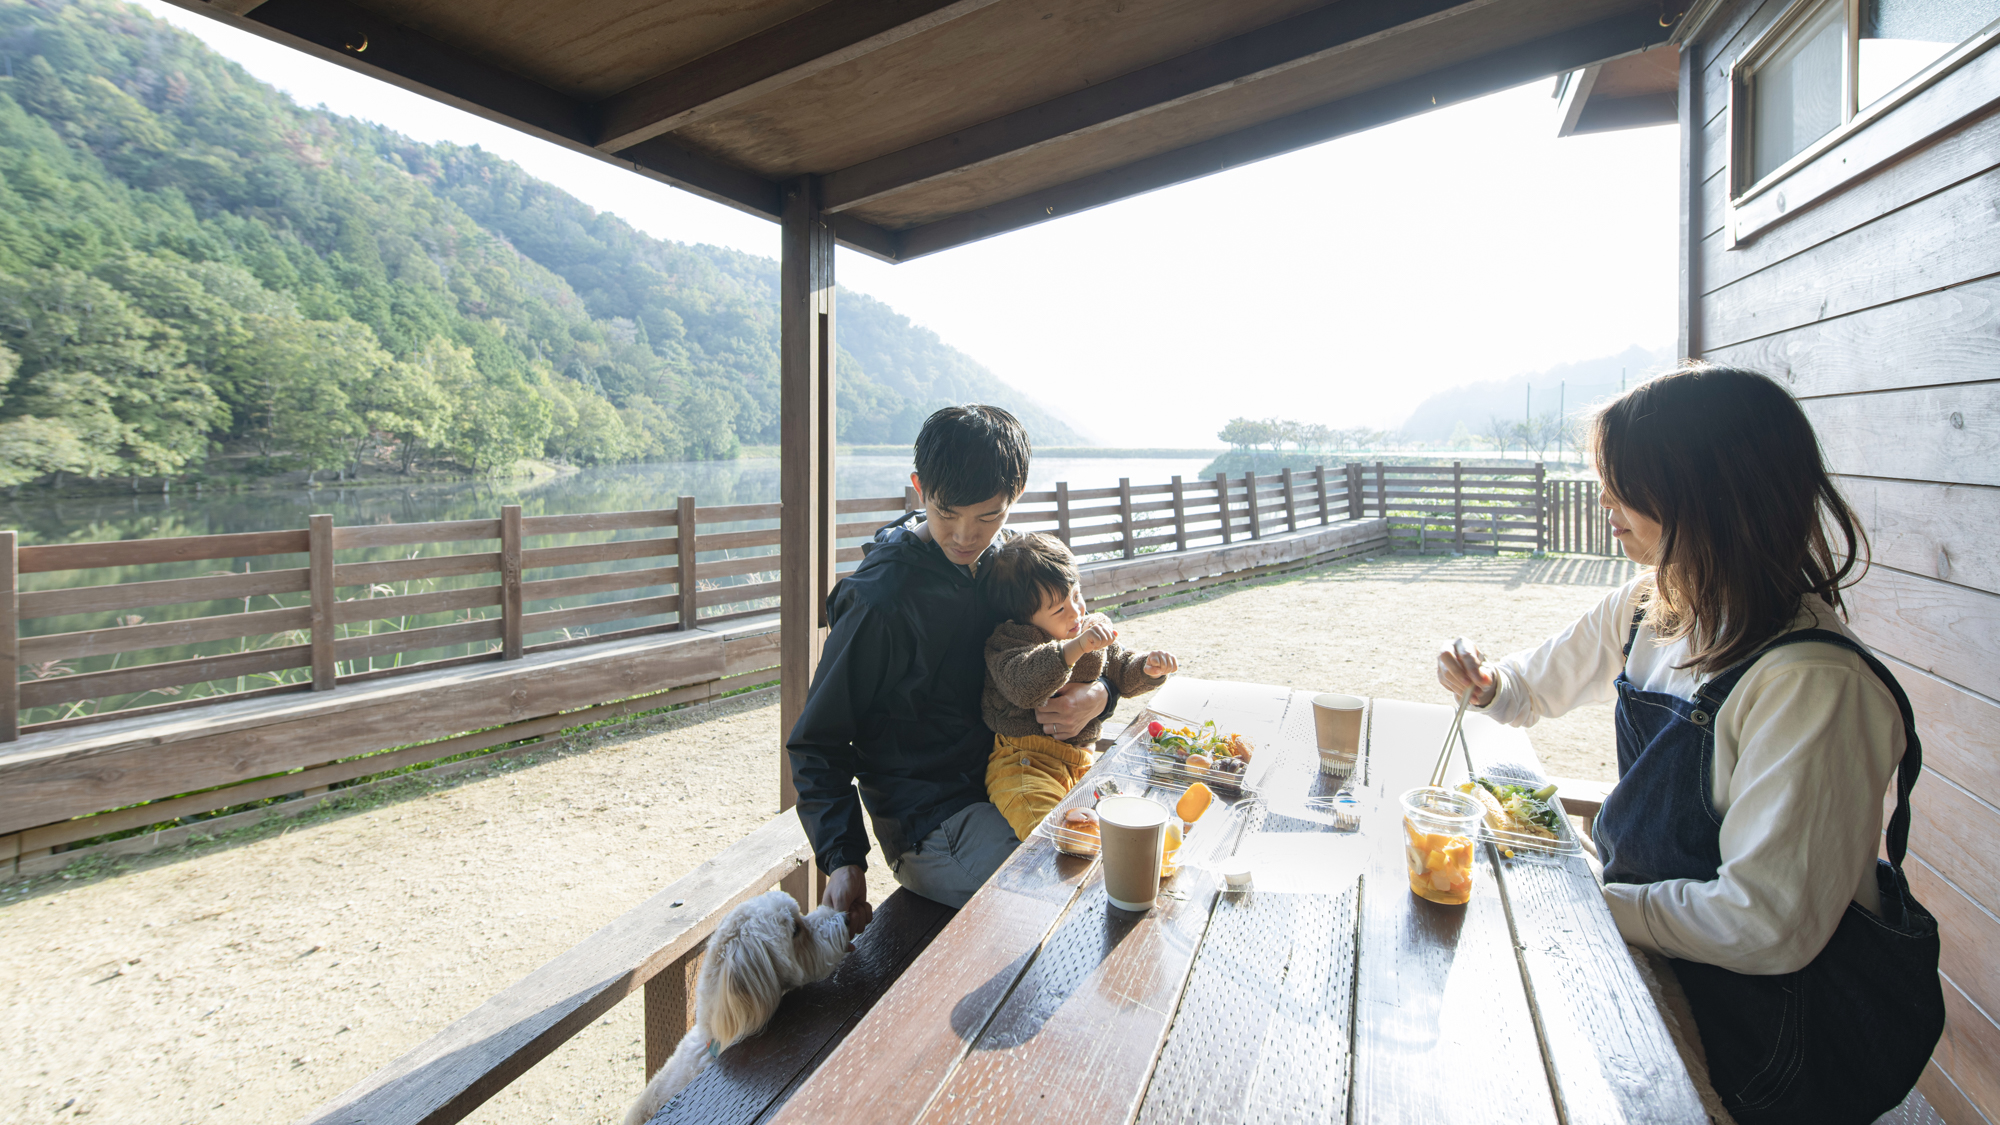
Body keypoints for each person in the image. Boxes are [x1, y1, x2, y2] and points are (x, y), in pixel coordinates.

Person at [1436, 364, 1942, 1124]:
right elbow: (1528, 687)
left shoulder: (1812, 683)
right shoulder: (1653, 603)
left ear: (1703, 492)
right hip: (1660, 940)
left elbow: (1763, 926)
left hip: (1768, 1029)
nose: (1603, 497)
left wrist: (1590, 905)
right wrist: (1483, 680)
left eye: (1622, 479)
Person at [786, 405, 1119, 925]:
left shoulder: (1007, 563)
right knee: (1070, 899)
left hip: (1021, 771)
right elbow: (816, 742)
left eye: (988, 516)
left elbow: (1075, 636)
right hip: (934, 820)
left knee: (1136, 852)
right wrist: (843, 857)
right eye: (947, 513)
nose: (966, 535)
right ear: (920, 488)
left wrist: (1101, 697)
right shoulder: (881, 601)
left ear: (1018, 494)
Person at [979, 533, 1177, 840]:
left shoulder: (1088, 630)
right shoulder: (1010, 642)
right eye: (1059, 610)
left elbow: (1121, 669)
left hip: (1084, 763)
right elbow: (1023, 685)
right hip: (1026, 765)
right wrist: (1074, 648)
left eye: (1076, 595)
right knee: (1052, 835)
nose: (1076, 611)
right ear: (1024, 618)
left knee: (1118, 824)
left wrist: (1147, 669)